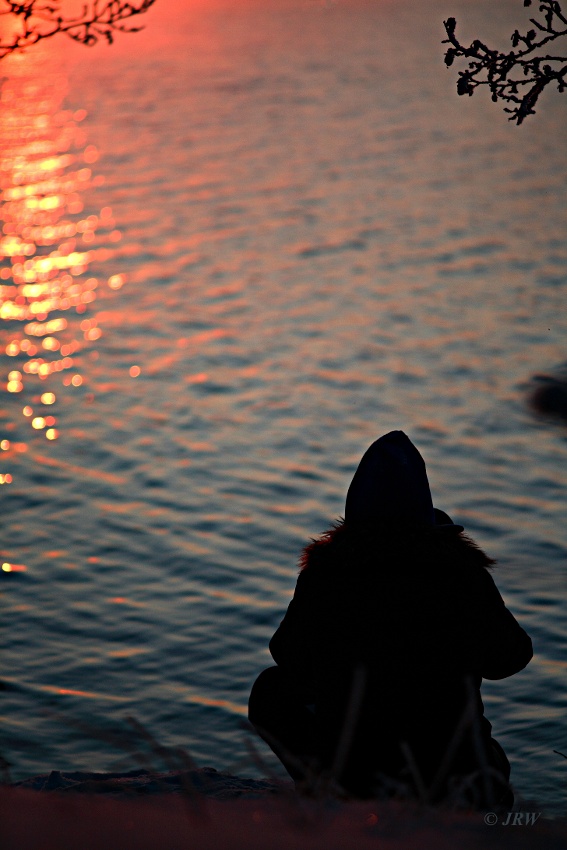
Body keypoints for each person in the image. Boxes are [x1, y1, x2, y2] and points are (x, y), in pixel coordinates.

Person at [248, 431, 533, 807]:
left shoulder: (327, 571)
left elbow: (287, 654)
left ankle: (324, 785)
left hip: (357, 774)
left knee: (272, 690)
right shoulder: (458, 570)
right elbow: (510, 658)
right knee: (481, 743)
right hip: (456, 776)